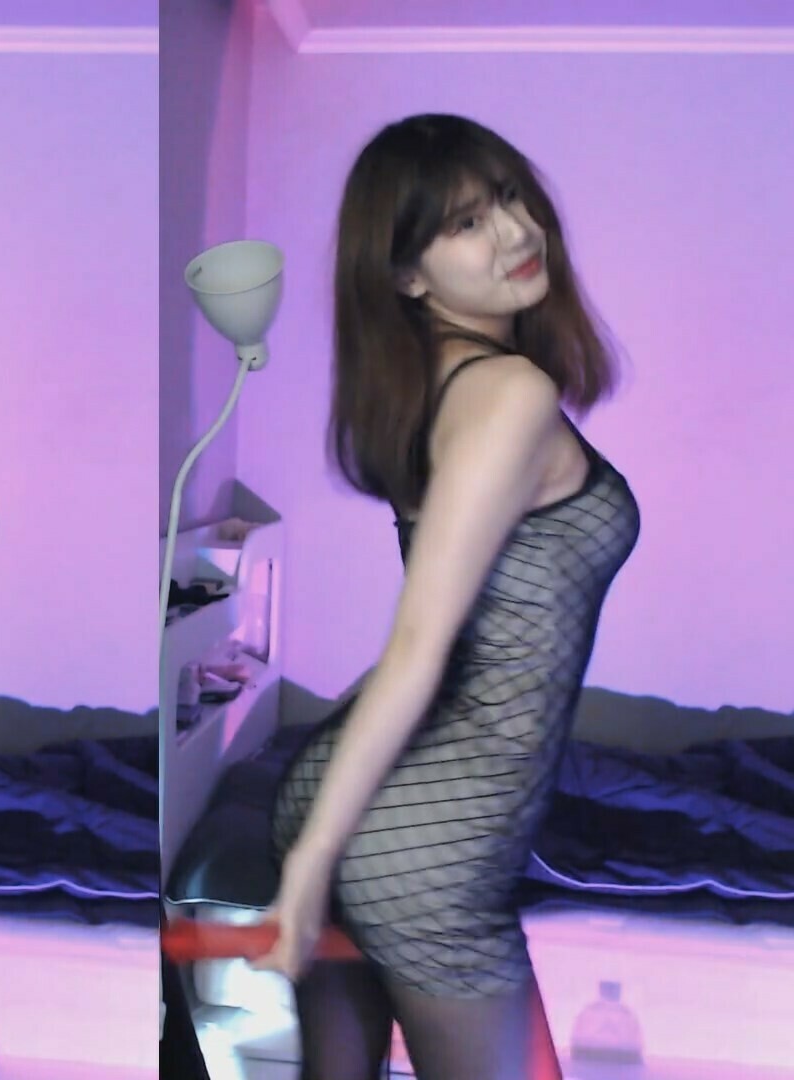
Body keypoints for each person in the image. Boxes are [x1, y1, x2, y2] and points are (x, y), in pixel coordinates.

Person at [260, 113, 641, 1080]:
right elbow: (420, 647)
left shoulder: (425, 382)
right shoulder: (507, 394)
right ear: (406, 275)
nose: (515, 232)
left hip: (364, 795)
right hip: (427, 846)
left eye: (511, 199)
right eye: (467, 223)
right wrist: (309, 870)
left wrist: (317, 843)